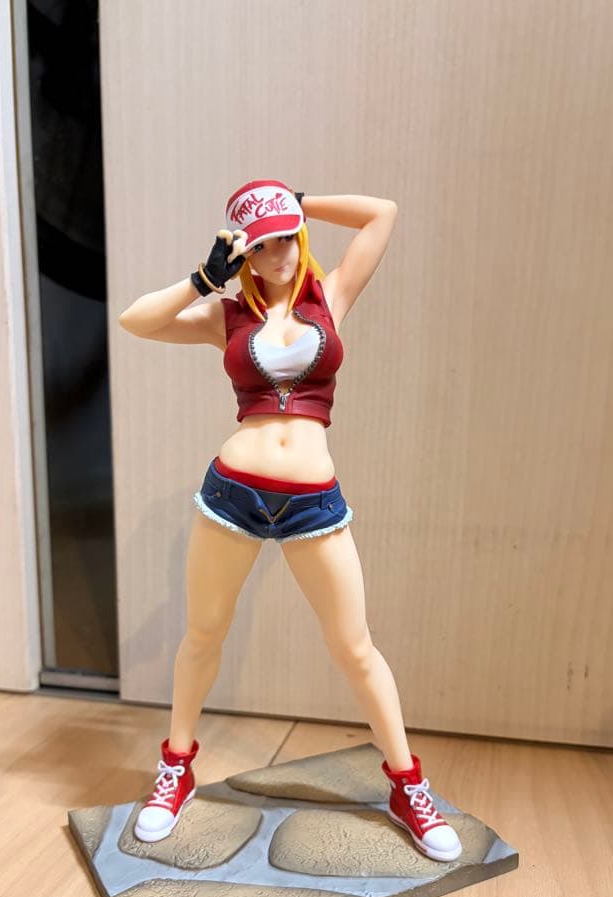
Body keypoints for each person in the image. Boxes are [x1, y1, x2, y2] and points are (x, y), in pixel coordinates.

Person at [117, 180, 462, 862]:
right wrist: (200, 280)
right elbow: (136, 321)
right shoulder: (225, 315)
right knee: (203, 635)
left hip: (312, 501)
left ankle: (408, 786)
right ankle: (176, 769)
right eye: (262, 245)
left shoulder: (330, 297)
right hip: (233, 493)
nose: (278, 255)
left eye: (287, 239)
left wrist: (299, 201)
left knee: (355, 648)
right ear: (243, 254)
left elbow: (383, 214)